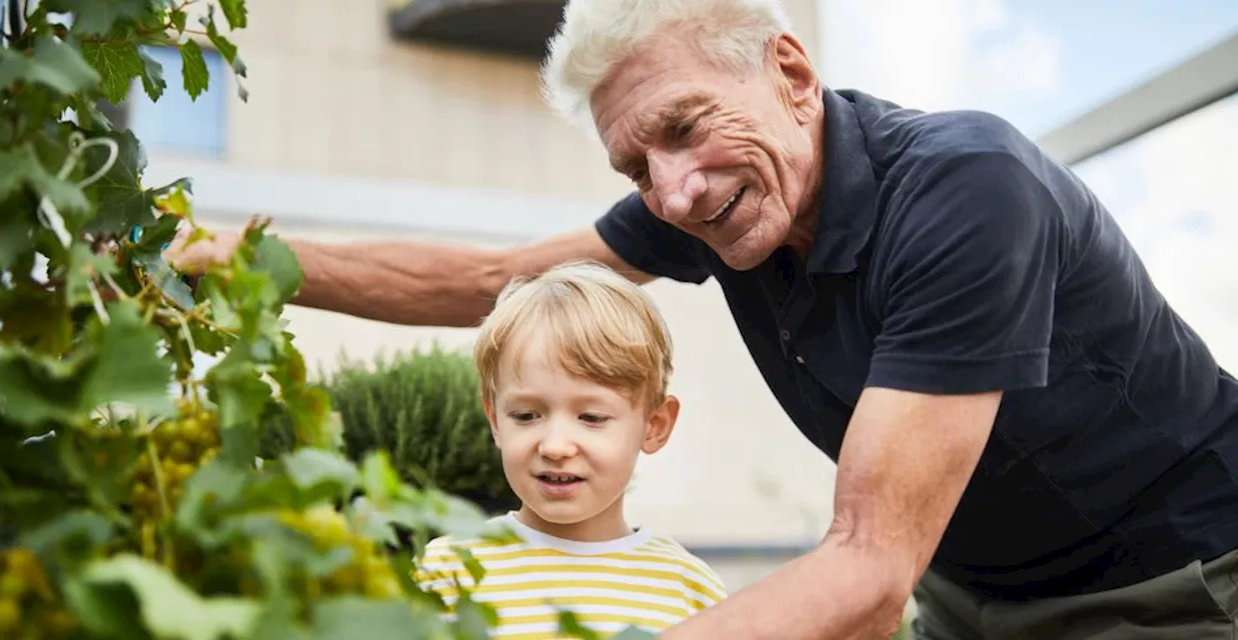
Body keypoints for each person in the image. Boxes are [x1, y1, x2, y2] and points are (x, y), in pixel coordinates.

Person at [166, 0, 1238, 637]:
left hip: (1174, 581)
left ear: (789, 71)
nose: (670, 193)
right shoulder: (722, 200)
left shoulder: (966, 189)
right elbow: (494, 275)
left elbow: (866, 562)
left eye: (683, 128)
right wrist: (256, 265)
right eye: (635, 162)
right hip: (975, 589)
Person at [411, 261, 728, 637]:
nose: (555, 446)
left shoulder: (691, 591)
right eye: (527, 415)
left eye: (592, 417)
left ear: (654, 426)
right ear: (495, 420)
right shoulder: (448, 571)